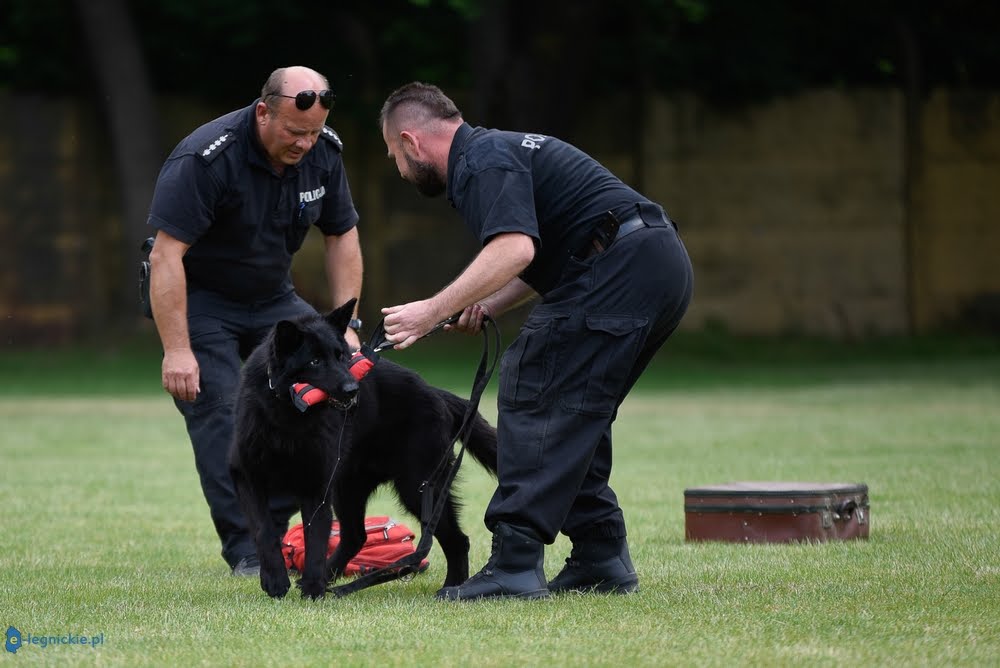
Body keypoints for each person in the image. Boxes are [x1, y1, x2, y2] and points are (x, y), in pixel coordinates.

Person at [378, 82, 693, 601]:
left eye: (395, 156)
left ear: (411, 142)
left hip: (621, 266)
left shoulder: (478, 161)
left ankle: (515, 564)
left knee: (535, 389)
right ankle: (600, 555)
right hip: (652, 260)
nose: (399, 169)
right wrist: (482, 304)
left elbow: (514, 248)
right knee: (575, 406)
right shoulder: (501, 150)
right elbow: (542, 251)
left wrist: (429, 311)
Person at [146, 66, 363, 576]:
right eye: (294, 132)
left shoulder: (325, 151)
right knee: (220, 410)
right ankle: (250, 546)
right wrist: (178, 350)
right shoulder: (206, 157)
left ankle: (286, 524)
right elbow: (165, 256)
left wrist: (344, 326)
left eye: (312, 133)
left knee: (337, 387)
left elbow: (342, 235)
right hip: (201, 297)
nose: (305, 144)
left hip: (273, 297)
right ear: (263, 112)